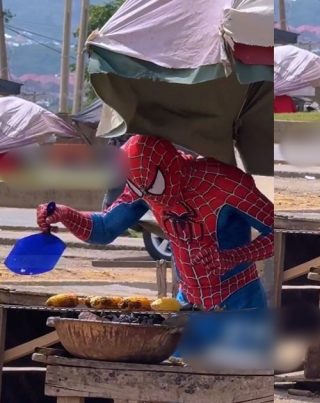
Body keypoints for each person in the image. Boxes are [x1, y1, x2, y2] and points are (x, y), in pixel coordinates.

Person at [37, 135, 274, 361]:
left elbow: (275, 232)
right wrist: (66, 214)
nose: (155, 199)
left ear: (171, 167)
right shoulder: (144, 186)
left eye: (155, 188)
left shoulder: (225, 183)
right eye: (142, 191)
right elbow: (104, 229)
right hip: (188, 304)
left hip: (240, 302)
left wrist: (232, 257)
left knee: (242, 381)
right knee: (176, 382)